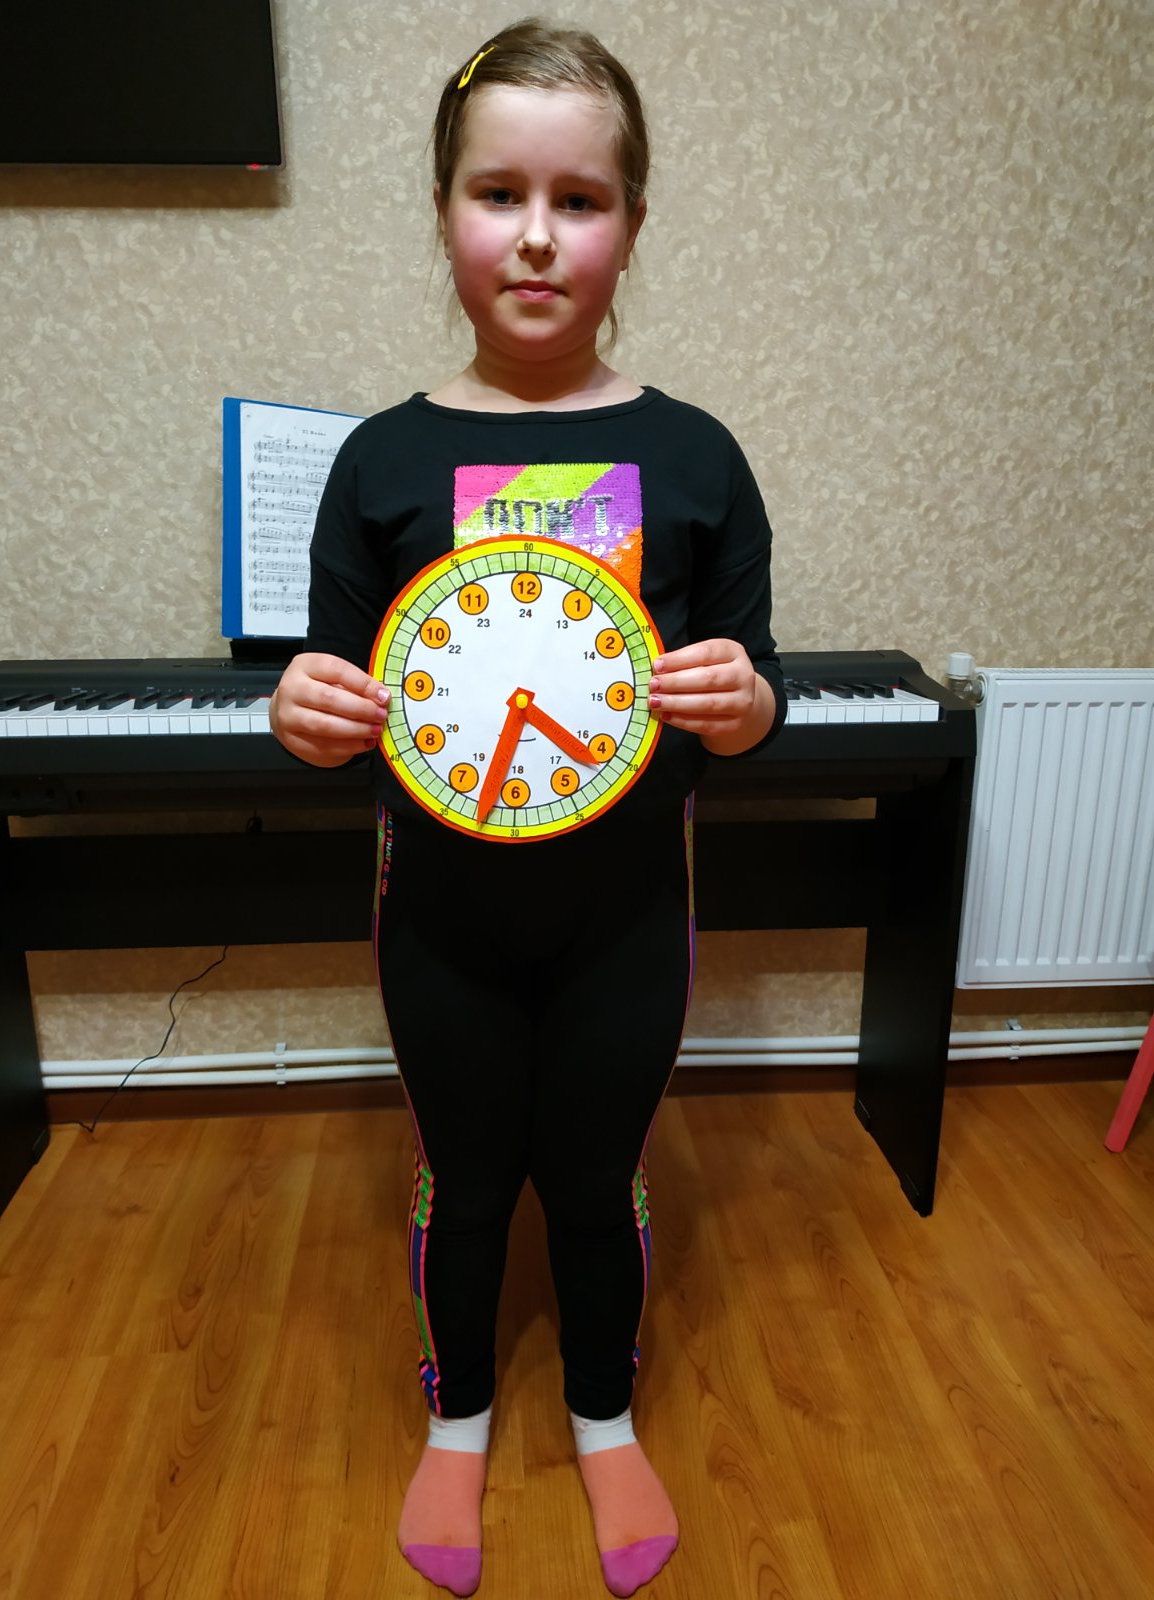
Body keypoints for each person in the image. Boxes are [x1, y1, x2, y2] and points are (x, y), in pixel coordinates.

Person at [269, 18, 786, 1597]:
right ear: (445, 213)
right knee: (466, 1173)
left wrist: (750, 707)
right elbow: (339, 684)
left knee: (597, 1174)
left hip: (629, 914)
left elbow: (752, 683)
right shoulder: (382, 459)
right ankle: (459, 1416)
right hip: (442, 916)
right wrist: (305, 714)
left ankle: (605, 1413)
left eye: (582, 198)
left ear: (633, 221)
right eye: (500, 193)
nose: (540, 235)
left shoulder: (696, 458)